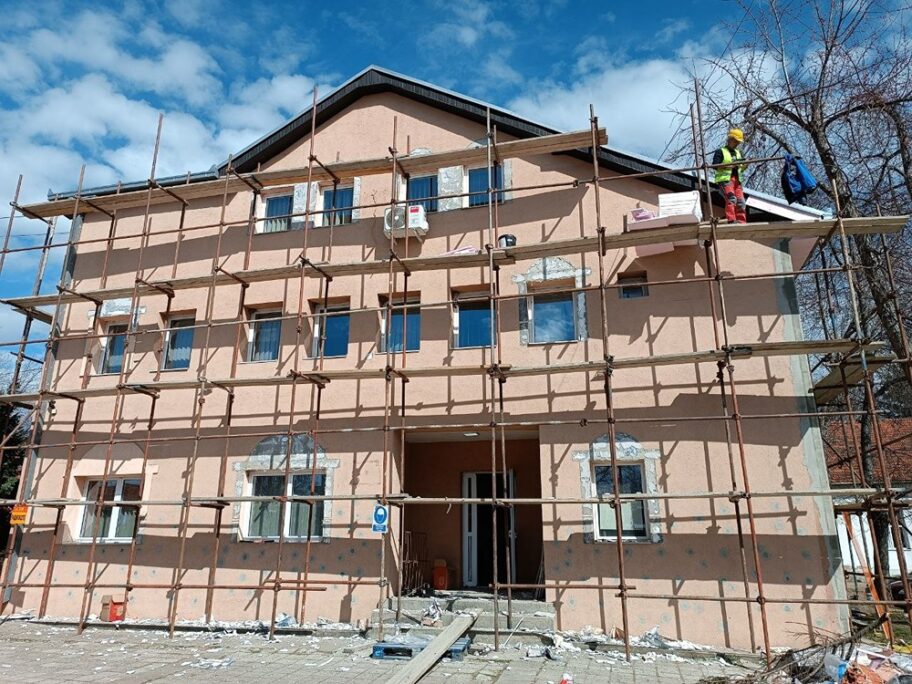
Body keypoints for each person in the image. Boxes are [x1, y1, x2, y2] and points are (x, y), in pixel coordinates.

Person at [713, 128, 747, 224]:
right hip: (725, 180)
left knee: (741, 202)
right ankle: (731, 220)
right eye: (735, 141)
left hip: (737, 181)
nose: (737, 144)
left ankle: (741, 223)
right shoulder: (720, 151)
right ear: (730, 139)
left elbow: (741, 168)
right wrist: (729, 165)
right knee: (732, 199)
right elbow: (715, 166)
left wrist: (745, 165)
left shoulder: (739, 153)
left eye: (738, 142)